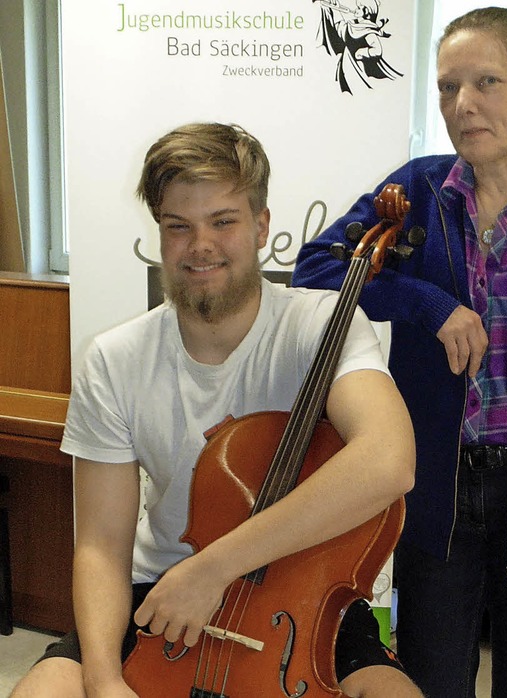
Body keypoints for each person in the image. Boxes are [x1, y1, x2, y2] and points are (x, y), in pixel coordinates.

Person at [10, 123, 422, 698]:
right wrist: (105, 681)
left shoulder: (322, 324)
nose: (200, 245)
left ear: (260, 227)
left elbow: (388, 461)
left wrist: (211, 569)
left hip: (296, 591)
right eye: (179, 227)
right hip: (157, 589)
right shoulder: (114, 357)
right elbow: (102, 545)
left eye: (223, 222)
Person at [293, 6, 507, 697]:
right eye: (448, 88)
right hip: (437, 492)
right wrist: (427, 303)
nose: (464, 105)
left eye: (487, 82)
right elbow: (315, 266)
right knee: (430, 679)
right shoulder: (418, 191)